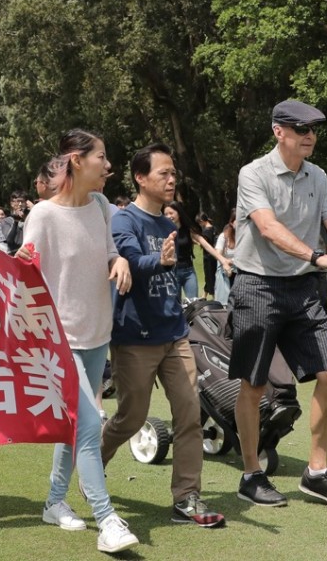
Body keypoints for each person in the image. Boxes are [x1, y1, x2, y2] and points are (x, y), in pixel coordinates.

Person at [16, 130, 139, 554]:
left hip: (96, 333)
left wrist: (119, 259)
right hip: (59, 339)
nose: (108, 166)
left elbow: (107, 250)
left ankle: (54, 501)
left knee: (73, 425)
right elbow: (25, 276)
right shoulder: (43, 216)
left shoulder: (102, 206)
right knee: (89, 426)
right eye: (101, 157)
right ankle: (107, 519)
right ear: (76, 160)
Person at [229, 99, 327, 509]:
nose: (309, 136)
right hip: (257, 285)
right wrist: (318, 257)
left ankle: (316, 472)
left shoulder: (318, 176)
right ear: (278, 131)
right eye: (301, 129)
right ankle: (251, 473)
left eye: (313, 129)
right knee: (254, 384)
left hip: (302, 289)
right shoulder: (253, 173)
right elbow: (268, 228)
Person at [101, 142, 226, 530]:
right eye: (163, 174)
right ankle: (89, 465)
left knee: (189, 413)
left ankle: (186, 498)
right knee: (130, 416)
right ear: (141, 178)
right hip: (135, 337)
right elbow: (131, 262)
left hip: (174, 334)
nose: (172, 180)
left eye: (174, 173)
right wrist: (159, 260)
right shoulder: (125, 220)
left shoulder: (168, 223)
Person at [162, 201, 232, 301]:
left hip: (188, 272)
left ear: (179, 213)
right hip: (172, 272)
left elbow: (206, 245)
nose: (168, 216)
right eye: (166, 214)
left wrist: (223, 260)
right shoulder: (163, 230)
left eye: (171, 213)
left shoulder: (188, 230)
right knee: (175, 306)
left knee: (193, 304)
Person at [214, 209, 236, 305]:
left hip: (240, 272)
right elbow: (217, 253)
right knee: (225, 303)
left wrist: (233, 261)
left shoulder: (246, 236)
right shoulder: (224, 236)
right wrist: (226, 262)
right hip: (226, 273)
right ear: (232, 222)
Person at [197, 212, 218, 297]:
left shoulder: (206, 231)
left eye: (199, 222)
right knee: (210, 275)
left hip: (208, 257)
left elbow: (203, 243)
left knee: (209, 276)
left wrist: (195, 240)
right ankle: (204, 295)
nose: (199, 224)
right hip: (214, 255)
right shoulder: (213, 228)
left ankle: (214, 296)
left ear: (202, 221)